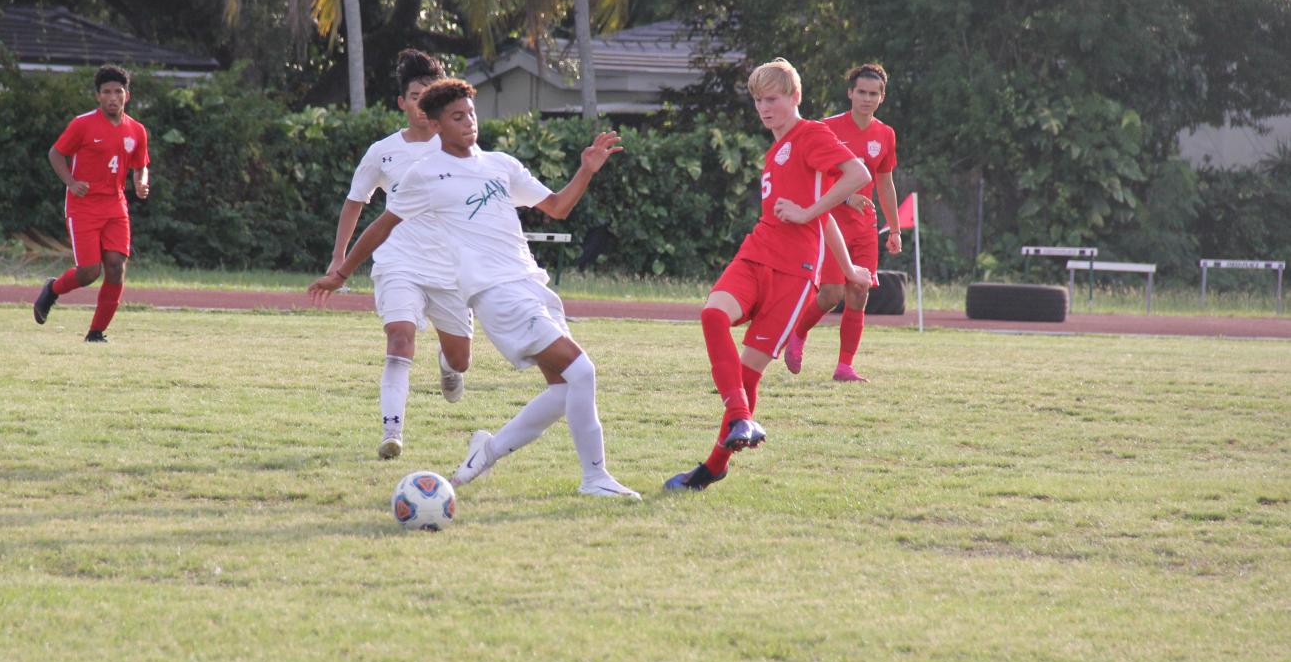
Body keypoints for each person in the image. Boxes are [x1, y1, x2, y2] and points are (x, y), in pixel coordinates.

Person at [309, 78, 639, 499]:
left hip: (532, 284)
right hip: (495, 294)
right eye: (457, 117)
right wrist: (340, 273)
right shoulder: (424, 174)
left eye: (471, 114)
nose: (469, 123)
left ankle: (486, 452)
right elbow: (381, 226)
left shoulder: (501, 164)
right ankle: (595, 478)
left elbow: (557, 207)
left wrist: (586, 170)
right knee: (583, 371)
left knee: (564, 389)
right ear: (437, 125)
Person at [665, 58, 873, 492]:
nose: (764, 107)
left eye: (772, 99)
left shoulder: (811, 134)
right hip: (756, 254)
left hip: (794, 275)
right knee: (712, 315)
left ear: (795, 97)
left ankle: (712, 467)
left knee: (748, 374)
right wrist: (847, 262)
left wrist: (809, 216)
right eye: (758, 100)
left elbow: (859, 174)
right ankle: (741, 417)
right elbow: (824, 216)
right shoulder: (775, 149)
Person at [329, 49, 471, 460]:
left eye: (430, 93)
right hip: (398, 263)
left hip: (450, 267)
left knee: (461, 360)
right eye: (414, 94)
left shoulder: (461, 147)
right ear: (403, 103)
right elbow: (356, 201)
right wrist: (339, 258)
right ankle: (392, 432)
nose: (422, 101)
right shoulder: (383, 152)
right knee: (400, 337)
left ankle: (448, 363)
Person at [785, 63, 902, 381]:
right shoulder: (827, 128)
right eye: (861, 92)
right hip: (831, 222)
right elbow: (811, 175)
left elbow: (885, 184)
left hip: (865, 226)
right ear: (850, 93)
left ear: (881, 98)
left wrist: (894, 228)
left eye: (873, 94)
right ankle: (798, 332)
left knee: (860, 291)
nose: (866, 98)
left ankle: (845, 367)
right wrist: (846, 195)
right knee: (832, 294)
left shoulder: (885, 134)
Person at [32, 65, 150, 343]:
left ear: (127, 96)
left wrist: (142, 181)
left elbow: (141, 165)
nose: (112, 97)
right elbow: (56, 154)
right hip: (83, 206)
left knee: (115, 266)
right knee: (89, 272)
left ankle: (96, 333)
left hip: (115, 206)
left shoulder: (137, 131)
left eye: (118, 92)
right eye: (106, 92)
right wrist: (71, 182)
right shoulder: (82, 124)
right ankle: (53, 289)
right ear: (98, 96)